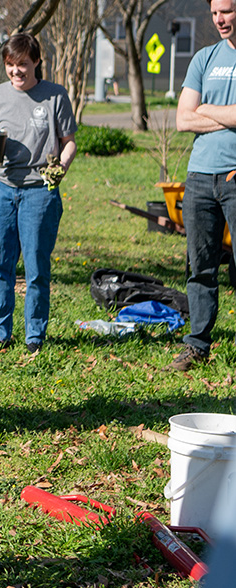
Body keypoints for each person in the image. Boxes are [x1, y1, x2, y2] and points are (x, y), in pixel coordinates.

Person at [0, 33, 76, 354]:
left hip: (39, 191)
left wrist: (61, 166)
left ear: (36, 62)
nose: (16, 71)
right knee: (0, 266)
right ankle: (0, 334)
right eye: (10, 65)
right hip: (0, 188)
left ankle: (35, 335)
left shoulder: (54, 96)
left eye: (22, 64)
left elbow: (69, 141)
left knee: (36, 268)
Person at [169, 0, 236, 371]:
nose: (219, 19)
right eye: (214, 13)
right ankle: (197, 345)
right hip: (199, 177)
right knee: (200, 266)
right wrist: (225, 115)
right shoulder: (204, 58)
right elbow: (182, 119)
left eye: (226, 11)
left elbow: (196, 112)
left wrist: (206, 109)